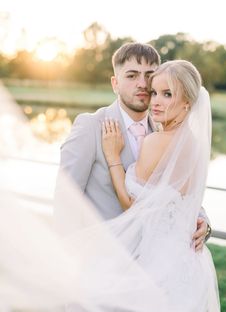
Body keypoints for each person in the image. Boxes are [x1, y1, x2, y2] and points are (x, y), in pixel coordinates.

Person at [100, 59, 226, 312]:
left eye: (167, 94)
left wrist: (112, 157)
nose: (155, 102)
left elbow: (132, 205)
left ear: (187, 103)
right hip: (189, 264)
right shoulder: (197, 145)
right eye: (155, 92)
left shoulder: (156, 142)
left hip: (158, 266)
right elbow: (183, 202)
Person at [55, 42, 210, 250]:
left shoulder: (165, 130)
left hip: (152, 261)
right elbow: (66, 199)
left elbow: (176, 190)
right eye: (131, 75)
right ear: (115, 83)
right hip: (100, 257)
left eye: (149, 75)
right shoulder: (91, 126)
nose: (143, 84)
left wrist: (203, 221)